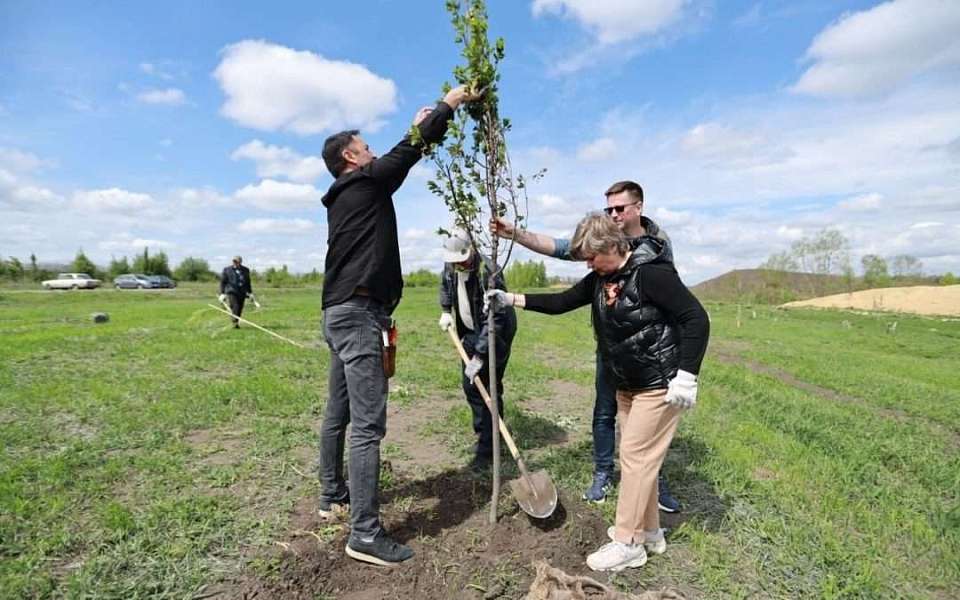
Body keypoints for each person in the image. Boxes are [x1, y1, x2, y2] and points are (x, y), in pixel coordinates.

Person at [487, 213, 709, 572]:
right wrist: (509, 298)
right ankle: (650, 532)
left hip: (660, 385)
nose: (587, 264)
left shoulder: (652, 273)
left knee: (635, 458)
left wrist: (687, 375)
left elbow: (696, 318)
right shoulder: (601, 279)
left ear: (611, 246)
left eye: (591, 257)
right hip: (628, 384)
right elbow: (560, 302)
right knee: (640, 461)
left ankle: (627, 543)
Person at [317, 84, 478, 567]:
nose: (372, 152)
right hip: (359, 314)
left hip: (339, 314)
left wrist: (417, 124)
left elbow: (397, 155)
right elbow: (405, 154)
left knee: (338, 411)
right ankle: (363, 533)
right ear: (351, 157)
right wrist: (448, 106)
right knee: (367, 426)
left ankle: (332, 495)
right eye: (365, 147)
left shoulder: (349, 195)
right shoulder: (362, 183)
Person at [493, 180, 681, 512]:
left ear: (638, 207)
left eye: (619, 208)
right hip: (611, 348)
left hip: (648, 355)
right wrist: (515, 237)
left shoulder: (657, 249)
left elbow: (679, 308)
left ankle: (654, 483)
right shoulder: (599, 252)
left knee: (646, 428)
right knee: (605, 411)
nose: (613, 214)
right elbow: (562, 257)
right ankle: (603, 474)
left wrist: (681, 367)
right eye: (607, 208)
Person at [437, 228, 517, 471]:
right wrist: (445, 310)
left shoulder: (488, 272)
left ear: (470, 251)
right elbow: (445, 286)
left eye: (462, 260)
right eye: (454, 262)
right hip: (469, 331)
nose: (458, 266)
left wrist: (481, 355)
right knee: (470, 385)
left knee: (489, 387)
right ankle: (485, 434)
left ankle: (488, 449)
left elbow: (496, 318)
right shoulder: (452, 266)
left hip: (496, 333)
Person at [218, 256, 252, 328]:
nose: (235, 263)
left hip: (242, 292)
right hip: (232, 291)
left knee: (240, 308)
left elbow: (248, 282)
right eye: (234, 261)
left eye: (237, 261)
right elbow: (223, 282)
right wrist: (222, 293)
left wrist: (250, 292)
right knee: (235, 306)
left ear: (240, 262)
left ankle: (236, 321)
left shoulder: (246, 270)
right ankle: (234, 322)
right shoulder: (227, 270)